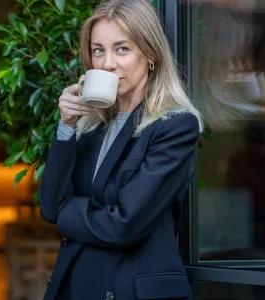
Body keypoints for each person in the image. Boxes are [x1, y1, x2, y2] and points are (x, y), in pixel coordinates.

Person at [38, 0, 203, 299]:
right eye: (98, 50)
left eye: (122, 48)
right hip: (77, 285)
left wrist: (67, 212)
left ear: (150, 54)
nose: (107, 63)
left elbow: (124, 226)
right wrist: (66, 125)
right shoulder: (92, 124)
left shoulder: (174, 125)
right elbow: (50, 206)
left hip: (128, 291)